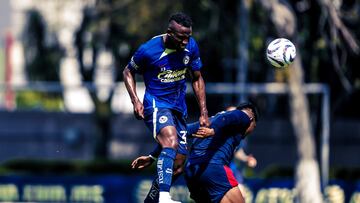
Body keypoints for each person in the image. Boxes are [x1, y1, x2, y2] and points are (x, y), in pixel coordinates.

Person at [123, 12, 209, 203]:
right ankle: (164, 198)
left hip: (178, 108)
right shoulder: (148, 50)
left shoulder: (191, 46)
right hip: (155, 104)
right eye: (182, 37)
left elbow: (197, 78)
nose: (186, 41)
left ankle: (152, 201)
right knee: (170, 141)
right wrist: (135, 101)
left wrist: (203, 111)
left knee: (178, 164)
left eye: (189, 36)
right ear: (170, 33)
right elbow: (128, 71)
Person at [132, 102, 258, 203]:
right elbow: (229, 117)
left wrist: (152, 156)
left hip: (192, 173)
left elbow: (177, 134)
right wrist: (213, 131)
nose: (251, 131)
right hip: (214, 169)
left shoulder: (210, 121)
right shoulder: (245, 116)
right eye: (254, 127)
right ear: (252, 120)